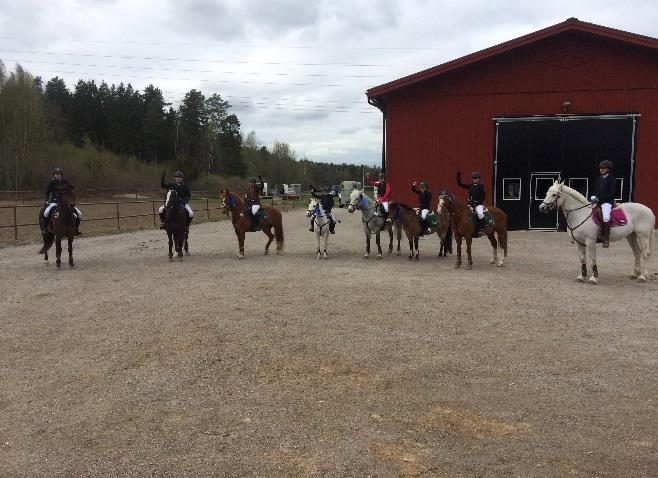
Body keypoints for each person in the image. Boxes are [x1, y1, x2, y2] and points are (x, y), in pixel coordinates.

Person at [43, 167, 82, 236]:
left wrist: (68, 187)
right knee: (46, 213)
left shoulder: (65, 182)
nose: (58, 175)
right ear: (54, 175)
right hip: (54, 202)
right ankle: (46, 229)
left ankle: (76, 229)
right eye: (56, 174)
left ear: (61, 175)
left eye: (60, 174)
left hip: (66, 202)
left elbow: (72, 187)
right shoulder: (51, 183)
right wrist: (46, 201)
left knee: (79, 213)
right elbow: (47, 193)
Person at [591, 160, 616, 248]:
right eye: (600, 168)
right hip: (598, 202)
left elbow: (612, 193)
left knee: (606, 217)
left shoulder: (611, 179)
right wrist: (593, 197)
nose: (601, 170)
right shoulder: (599, 179)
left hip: (607, 202)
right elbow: (596, 190)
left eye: (603, 168)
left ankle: (606, 240)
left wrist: (600, 199)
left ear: (608, 169)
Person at [457, 171, 486, 235]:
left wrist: (477, 201)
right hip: (471, 204)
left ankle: (482, 228)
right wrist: (458, 177)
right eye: (473, 178)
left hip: (479, 204)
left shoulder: (481, 186)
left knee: (480, 214)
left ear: (479, 179)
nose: (475, 179)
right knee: (463, 213)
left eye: (476, 178)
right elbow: (461, 185)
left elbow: (483, 196)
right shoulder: (471, 185)